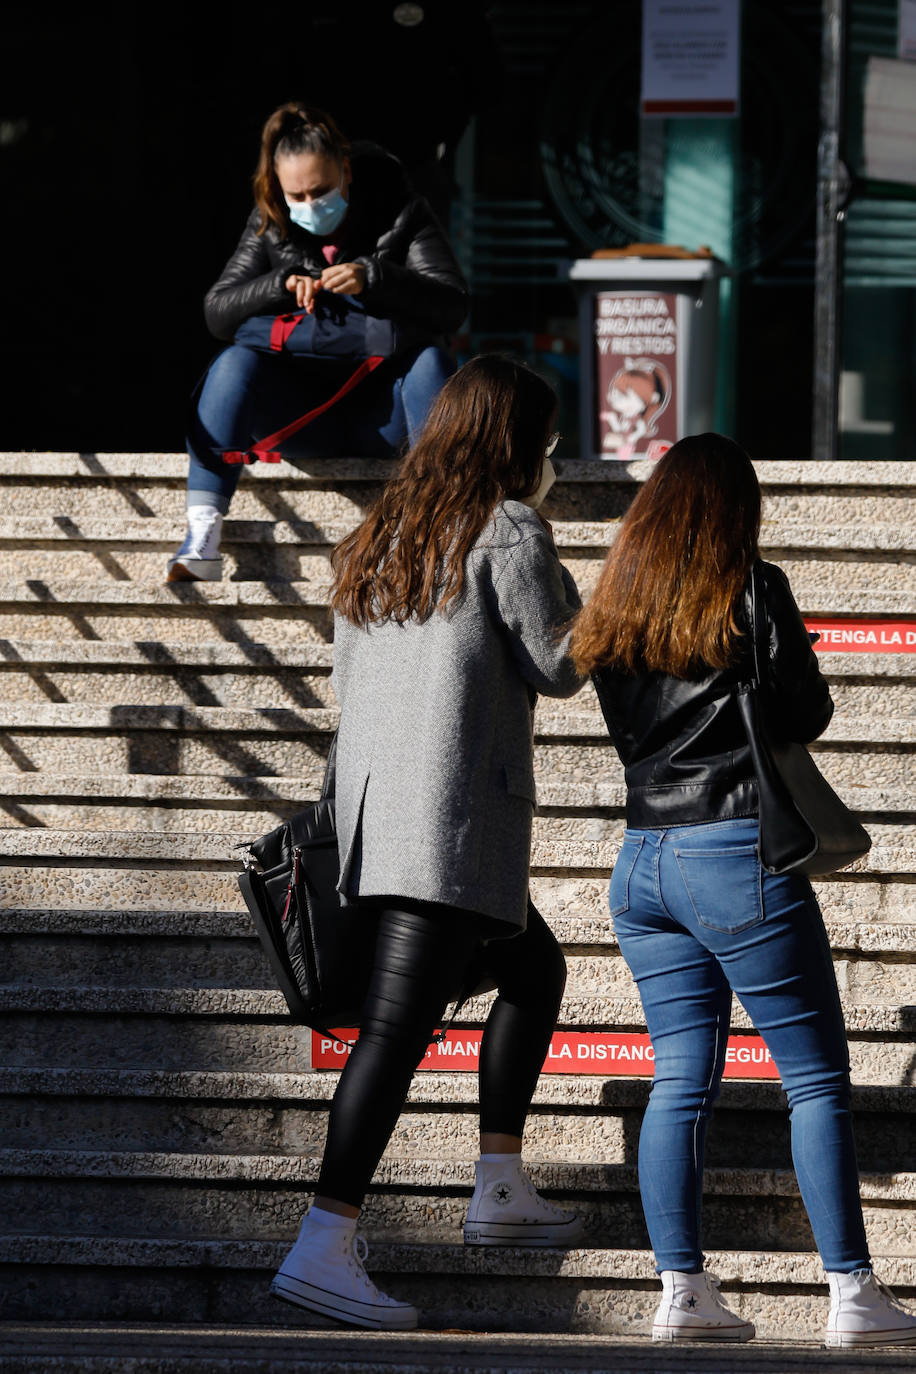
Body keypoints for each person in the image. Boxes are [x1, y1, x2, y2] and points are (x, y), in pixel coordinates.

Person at [569, 433, 916, 1349]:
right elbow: (807, 712)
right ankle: (851, 1291)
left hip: (642, 860)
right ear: (736, 509)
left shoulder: (616, 603)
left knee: (680, 1078)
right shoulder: (751, 587)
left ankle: (682, 1292)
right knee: (814, 1078)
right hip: (733, 850)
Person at [269, 355, 584, 1330]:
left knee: (534, 971)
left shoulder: (379, 533)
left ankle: (497, 1179)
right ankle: (322, 1243)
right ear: (517, 442)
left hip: (380, 825)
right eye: (543, 438)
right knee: (395, 1037)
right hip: (446, 831)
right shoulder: (506, 529)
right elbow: (561, 660)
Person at [168, 102, 468, 582]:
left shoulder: (402, 209)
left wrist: (376, 278)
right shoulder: (269, 222)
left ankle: (448, 529)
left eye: (322, 190)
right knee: (232, 363)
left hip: (390, 418)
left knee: (431, 361)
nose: (310, 205)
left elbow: (452, 303)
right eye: (297, 195)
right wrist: (280, 283)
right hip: (302, 417)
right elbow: (217, 312)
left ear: (346, 172)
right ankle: (202, 535)